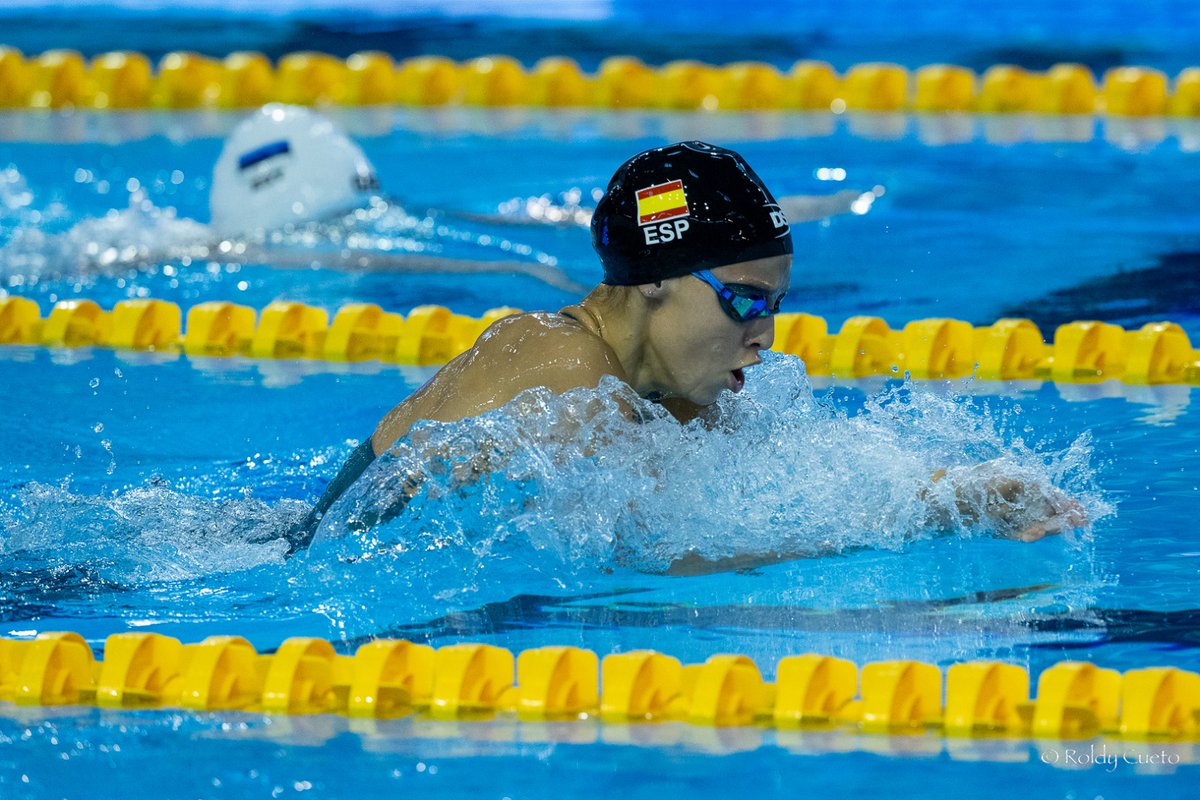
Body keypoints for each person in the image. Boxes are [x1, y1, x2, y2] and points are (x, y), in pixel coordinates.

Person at [286, 140, 1084, 562]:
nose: (765, 335)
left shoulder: (667, 393)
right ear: (658, 282)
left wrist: (961, 492)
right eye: (744, 300)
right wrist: (924, 528)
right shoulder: (559, 361)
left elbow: (795, 488)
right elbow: (659, 555)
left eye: (775, 306)